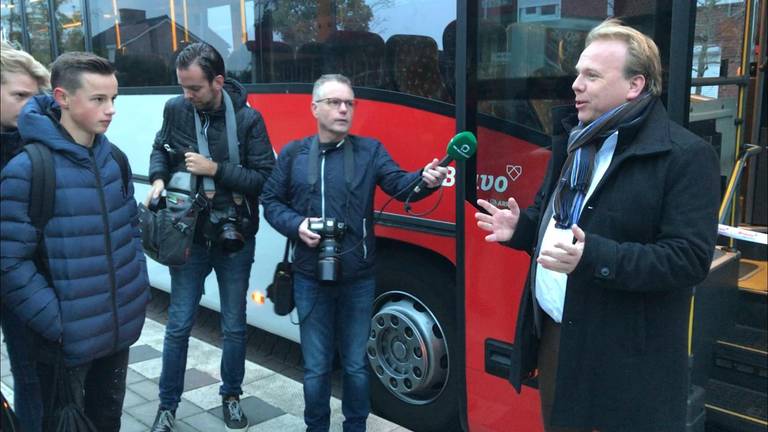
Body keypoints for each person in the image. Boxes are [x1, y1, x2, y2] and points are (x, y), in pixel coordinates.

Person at [475, 19, 721, 432]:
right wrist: (521, 230)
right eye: (577, 73)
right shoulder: (576, 141)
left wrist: (594, 257)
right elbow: (556, 223)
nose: (575, 85)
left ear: (635, 85)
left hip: (623, 359)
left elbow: (689, 259)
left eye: (591, 75)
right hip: (558, 336)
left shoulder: (685, 156)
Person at [260, 74, 449, 432]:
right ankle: (316, 427)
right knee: (316, 368)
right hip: (308, 275)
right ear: (314, 108)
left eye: (349, 103)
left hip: (358, 279)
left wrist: (424, 179)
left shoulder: (369, 151)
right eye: (334, 102)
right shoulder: (294, 154)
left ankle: (355, 428)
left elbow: (399, 184)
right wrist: (297, 224)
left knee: (356, 366)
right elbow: (270, 201)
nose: (344, 109)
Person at [0, 51, 149, 431]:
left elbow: (131, 229)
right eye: (99, 99)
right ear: (63, 98)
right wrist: (59, 322)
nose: (110, 109)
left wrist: (136, 293)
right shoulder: (30, 168)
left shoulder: (114, 159)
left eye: (114, 98)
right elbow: (9, 260)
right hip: (64, 344)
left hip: (117, 333)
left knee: (107, 422)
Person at [146, 42, 275, 432]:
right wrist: (156, 179)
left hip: (235, 237)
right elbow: (160, 149)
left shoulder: (249, 120)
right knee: (179, 324)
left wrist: (215, 169)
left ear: (218, 81)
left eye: (195, 89)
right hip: (189, 235)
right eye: (183, 87)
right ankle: (167, 406)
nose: (187, 96)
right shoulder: (176, 110)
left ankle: (231, 396)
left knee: (234, 325)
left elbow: (264, 179)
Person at [0, 39, 50, 432]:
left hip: (24, 288)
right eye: (19, 95)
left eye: (34, 96)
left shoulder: (37, 144)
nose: (29, 105)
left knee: (31, 377)